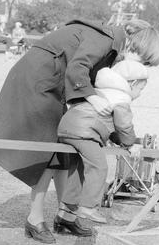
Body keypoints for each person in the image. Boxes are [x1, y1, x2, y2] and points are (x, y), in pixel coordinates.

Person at [0, 18, 159, 244]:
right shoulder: (104, 39)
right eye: (143, 59)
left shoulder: (111, 46)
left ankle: (65, 215)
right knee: (50, 152)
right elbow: (78, 69)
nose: (141, 66)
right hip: (40, 79)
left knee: (68, 149)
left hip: (54, 81)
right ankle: (34, 219)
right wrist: (94, 99)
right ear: (134, 45)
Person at [56, 59, 149, 234]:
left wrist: (117, 139)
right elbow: (124, 125)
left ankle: (67, 209)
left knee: (79, 170)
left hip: (68, 127)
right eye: (140, 89)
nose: (140, 93)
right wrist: (129, 143)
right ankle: (88, 207)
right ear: (132, 83)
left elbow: (108, 124)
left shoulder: (103, 91)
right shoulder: (122, 97)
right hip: (84, 132)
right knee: (99, 166)